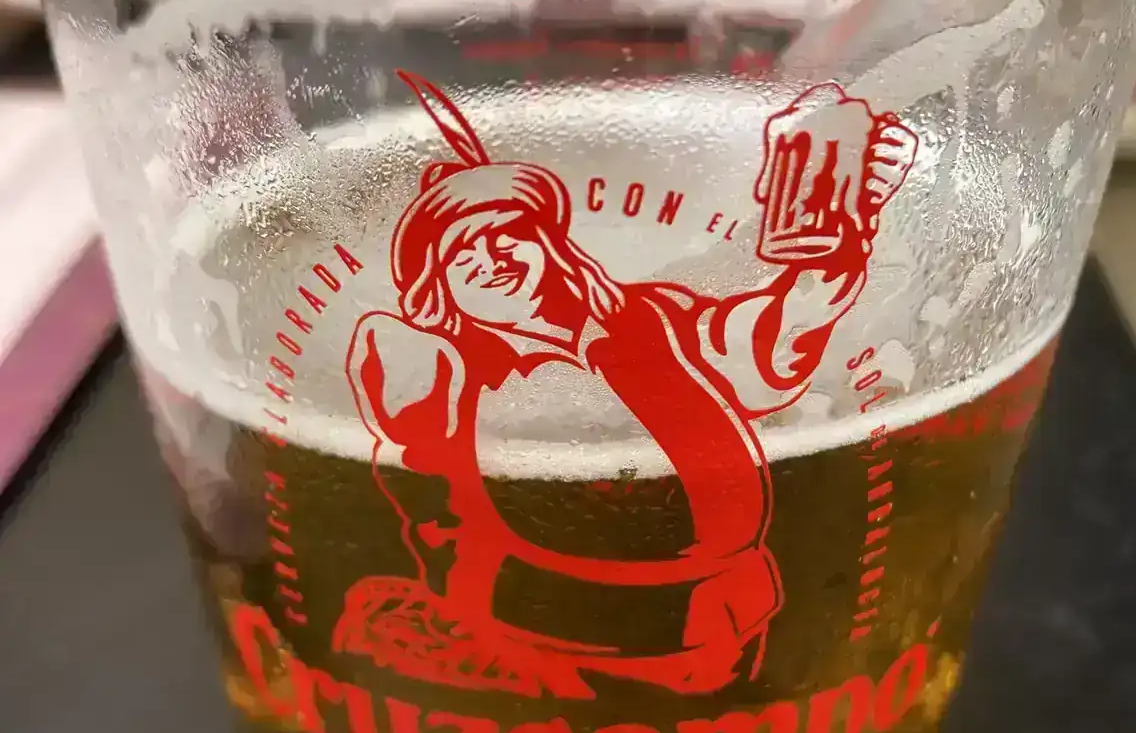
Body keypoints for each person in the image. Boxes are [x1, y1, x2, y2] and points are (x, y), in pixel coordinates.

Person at [334, 71, 916, 699]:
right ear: (438, 289)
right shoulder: (449, 372)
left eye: (508, 235)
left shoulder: (651, 318)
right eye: (462, 256)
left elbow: (771, 342)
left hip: (730, 619)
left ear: (550, 244)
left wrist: (844, 225)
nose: (493, 260)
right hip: (558, 645)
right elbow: (423, 490)